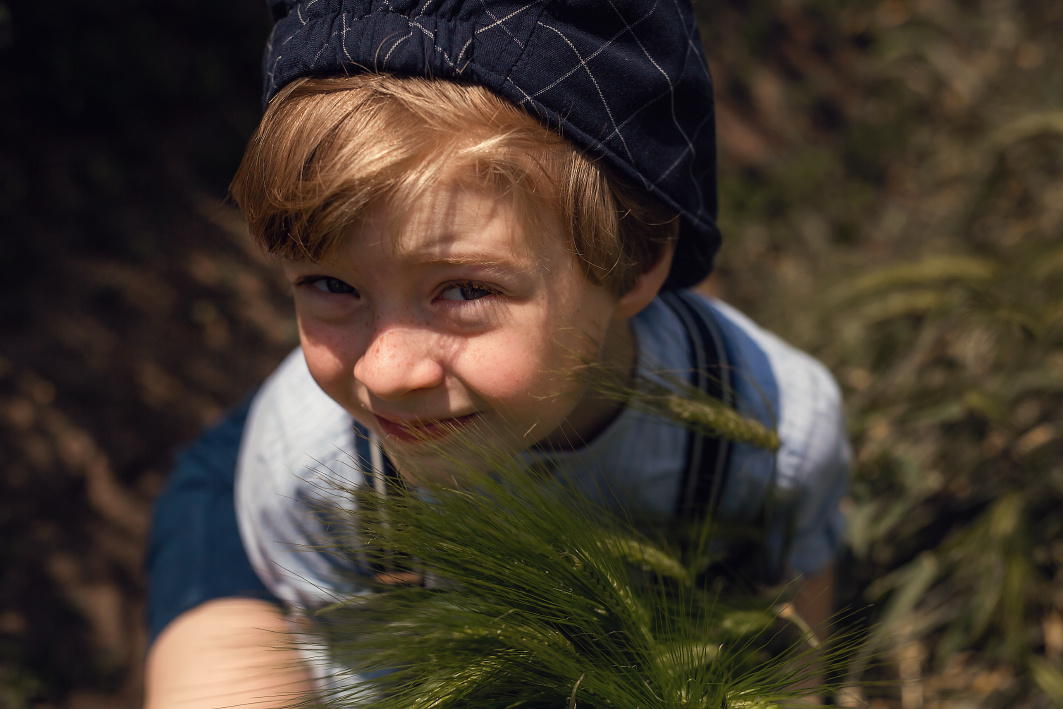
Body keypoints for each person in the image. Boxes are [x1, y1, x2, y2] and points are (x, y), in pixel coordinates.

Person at [144, 2, 850, 707]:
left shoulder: (771, 432)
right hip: (305, 478)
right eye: (331, 284)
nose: (385, 371)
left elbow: (793, 638)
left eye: (463, 290)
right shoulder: (308, 472)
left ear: (634, 264)